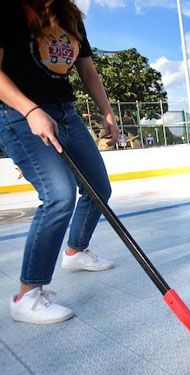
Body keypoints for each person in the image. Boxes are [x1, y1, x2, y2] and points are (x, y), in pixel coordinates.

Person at [0, 0, 119, 324]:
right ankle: (27, 295)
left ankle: (76, 251)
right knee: (59, 195)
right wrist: (29, 110)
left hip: (66, 112)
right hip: (19, 114)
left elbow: (88, 70)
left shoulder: (69, 15)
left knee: (98, 189)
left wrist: (107, 111)